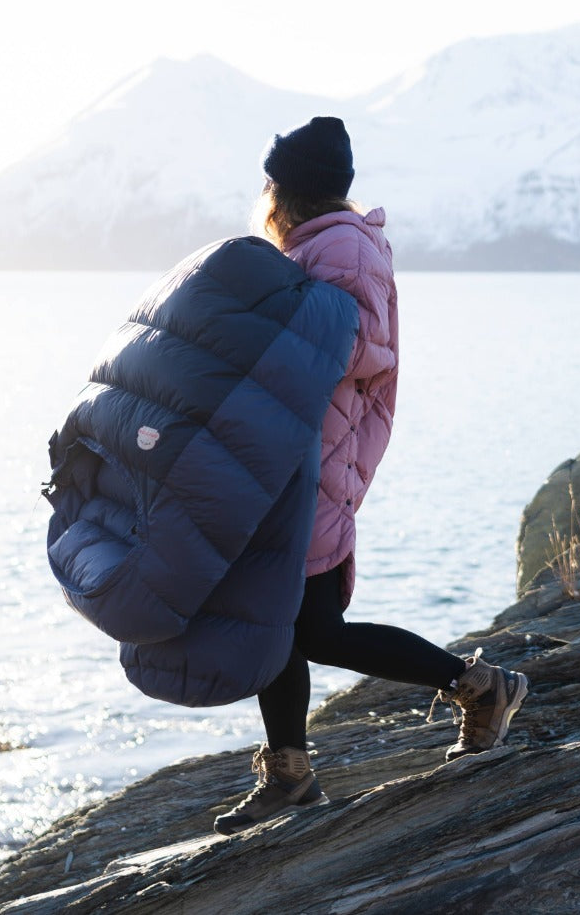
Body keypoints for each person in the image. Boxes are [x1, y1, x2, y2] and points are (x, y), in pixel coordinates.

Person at [214, 115, 528, 836]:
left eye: (271, 181)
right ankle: (291, 773)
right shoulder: (315, 246)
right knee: (280, 621)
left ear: (286, 189)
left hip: (318, 464)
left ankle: (483, 686)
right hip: (291, 457)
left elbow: (362, 346)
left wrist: (263, 318)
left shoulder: (343, 246)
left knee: (314, 628)